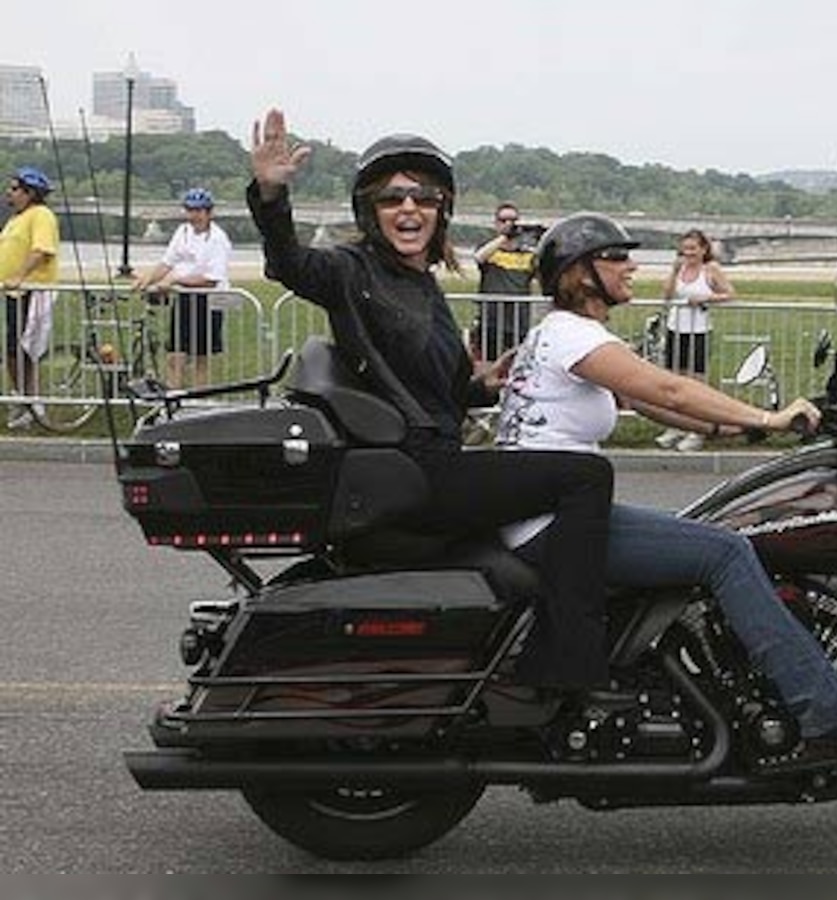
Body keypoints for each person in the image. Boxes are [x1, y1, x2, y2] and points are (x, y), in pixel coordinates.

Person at [495, 212, 837, 757]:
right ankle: (826, 712)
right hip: (552, 523)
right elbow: (669, 390)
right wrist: (768, 420)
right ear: (580, 273)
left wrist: (742, 426)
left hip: (550, 513)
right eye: (617, 257)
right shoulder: (573, 335)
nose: (632, 266)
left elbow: (657, 405)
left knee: (702, 534)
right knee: (728, 552)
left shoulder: (564, 336)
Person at [246, 108, 613, 692]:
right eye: (392, 198)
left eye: (424, 197)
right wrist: (270, 194)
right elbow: (291, 263)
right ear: (371, 210)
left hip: (430, 459)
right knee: (585, 477)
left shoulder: (421, 283)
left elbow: (436, 391)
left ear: (441, 209)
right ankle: (568, 664)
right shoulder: (353, 270)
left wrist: (484, 381)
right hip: (420, 471)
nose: (409, 208)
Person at [132, 187, 233, 388]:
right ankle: (173, 398)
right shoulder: (182, 232)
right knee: (175, 355)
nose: (193, 215)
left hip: (210, 299)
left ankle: (199, 401)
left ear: (209, 213)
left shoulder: (217, 239)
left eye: (199, 211)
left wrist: (175, 281)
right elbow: (167, 263)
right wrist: (147, 280)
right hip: (186, 298)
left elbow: (211, 280)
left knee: (200, 358)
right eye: (190, 210)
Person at [655, 228, 735, 452]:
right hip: (675, 327)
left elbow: (730, 294)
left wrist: (706, 297)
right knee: (674, 379)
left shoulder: (711, 269)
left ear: (703, 249)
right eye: (685, 248)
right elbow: (667, 295)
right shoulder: (680, 268)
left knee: (695, 381)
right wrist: (673, 271)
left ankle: (697, 429)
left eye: (693, 248)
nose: (688, 253)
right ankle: (676, 426)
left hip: (698, 330)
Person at [1, 166, 59, 430]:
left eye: (14, 189)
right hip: (14, 293)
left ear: (30, 193)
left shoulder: (41, 215)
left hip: (32, 291)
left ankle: (32, 402)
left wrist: (20, 276)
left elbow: (41, 251)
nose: (8, 193)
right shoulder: (16, 219)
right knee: (13, 350)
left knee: (24, 349)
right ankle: (23, 397)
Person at [472, 202, 540, 362]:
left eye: (513, 221)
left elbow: (544, 274)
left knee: (516, 365)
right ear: (496, 223)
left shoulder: (527, 254)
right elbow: (479, 257)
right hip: (491, 320)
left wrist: (540, 241)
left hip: (518, 322)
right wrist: (505, 236)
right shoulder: (489, 249)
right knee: (487, 363)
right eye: (503, 220)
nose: (508, 224)